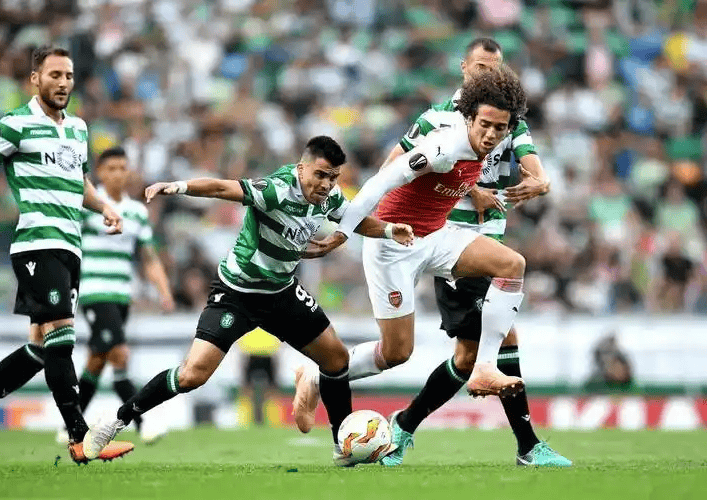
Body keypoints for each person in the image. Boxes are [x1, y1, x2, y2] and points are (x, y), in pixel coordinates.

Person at [81, 136, 413, 465]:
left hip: (281, 293)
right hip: (237, 293)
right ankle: (116, 421)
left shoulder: (330, 197)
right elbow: (220, 188)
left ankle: (343, 445)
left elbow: (353, 219)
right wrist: (178, 186)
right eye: (321, 175)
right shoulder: (275, 190)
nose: (326, 184)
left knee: (337, 360)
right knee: (191, 375)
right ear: (302, 168)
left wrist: (388, 231)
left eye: (333, 177)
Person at [294, 65, 537, 460]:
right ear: (469, 118)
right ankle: (315, 374)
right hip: (393, 244)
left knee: (512, 265)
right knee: (396, 353)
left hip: (435, 236)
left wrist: (479, 190)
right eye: (485, 125)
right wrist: (343, 232)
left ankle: (484, 367)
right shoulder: (444, 146)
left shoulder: (483, 146)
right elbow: (381, 181)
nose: (492, 134)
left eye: (500, 128)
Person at [380, 39, 571, 467]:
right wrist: (472, 189)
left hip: (490, 241)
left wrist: (539, 182)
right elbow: (396, 169)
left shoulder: (508, 119)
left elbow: (533, 164)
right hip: (451, 240)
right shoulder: (438, 118)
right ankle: (528, 446)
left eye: (495, 68)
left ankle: (404, 425)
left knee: (468, 358)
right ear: (463, 67)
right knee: (505, 338)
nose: (488, 75)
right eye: (481, 67)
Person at [0, 46, 133, 468]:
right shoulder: (15, 124)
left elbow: (80, 183)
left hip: (70, 248)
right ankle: (80, 439)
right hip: (37, 245)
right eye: (54, 75)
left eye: (69, 76)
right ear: (35, 79)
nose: (63, 83)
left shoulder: (78, 128)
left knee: (42, 349)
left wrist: (105, 207)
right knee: (63, 338)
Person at [55, 146, 174, 445]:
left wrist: (164, 291)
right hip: (94, 293)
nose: (118, 174)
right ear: (99, 173)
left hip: (122, 296)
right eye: (111, 168)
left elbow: (149, 258)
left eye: (123, 168)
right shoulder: (88, 207)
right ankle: (142, 422)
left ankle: (70, 425)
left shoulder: (137, 212)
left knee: (97, 361)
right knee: (120, 355)